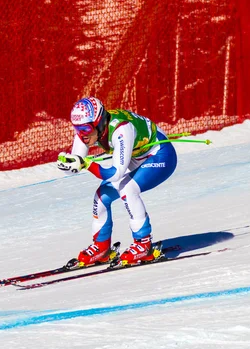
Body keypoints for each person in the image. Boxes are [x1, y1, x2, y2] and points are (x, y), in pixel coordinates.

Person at [57, 97, 178, 267]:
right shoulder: (87, 132)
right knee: (101, 197)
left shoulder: (122, 129)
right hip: (137, 157)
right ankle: (101, 248)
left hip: (160, 155)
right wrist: (67, 164)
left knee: (127, 189)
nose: (82, 135)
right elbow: (76, 164)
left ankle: (144, 245)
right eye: (77, 129)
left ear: (99, 123)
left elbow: (115, 173)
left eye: (85, 129)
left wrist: (86, 164)